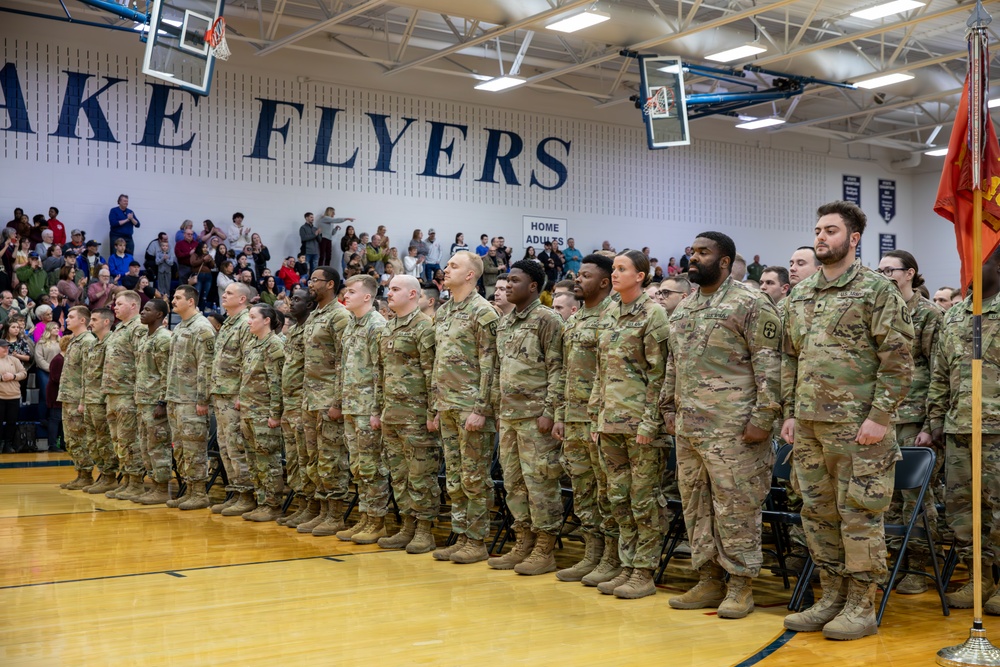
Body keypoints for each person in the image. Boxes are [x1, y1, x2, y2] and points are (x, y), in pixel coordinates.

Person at [781, 201, 914, 641]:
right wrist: (789, 412)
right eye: (818, 230)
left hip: (859, 428)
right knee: (817, 514)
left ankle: (862, 605)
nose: (821, 237)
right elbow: (789, 359)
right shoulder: (800, 294)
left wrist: (880, 416)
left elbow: (897, 360)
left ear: (853, 239)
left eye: (832, 231)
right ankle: (831, 596)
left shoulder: (877, 290)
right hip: (810, 426)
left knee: (858, 515)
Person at [661, 232, 781, 618]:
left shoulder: (750, 302)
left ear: (725, 261)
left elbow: (770, 366)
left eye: (703, 252)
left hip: (735, 429)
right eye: (691, 252)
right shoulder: (685, 307)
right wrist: (667, 408)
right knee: (697, 506)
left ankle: (741, 585)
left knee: (736, 507)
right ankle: (709, 579)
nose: (693, 258)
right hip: (690, 426)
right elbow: (673, 363)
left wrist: (763, 419)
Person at [586, 249, 669, 599]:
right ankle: (626, 563)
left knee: (643, 500)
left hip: (639, 424)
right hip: (609, 423)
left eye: (622, 269)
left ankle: (644, 571)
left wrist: (650, 423)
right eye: (614, 268)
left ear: (641, 276)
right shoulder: (608, 312)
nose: (615, 274)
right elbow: (601, 369)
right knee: (617, 497)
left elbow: (659, 375)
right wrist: (595, 414)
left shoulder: (654, 315)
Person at [488, 260, 564, 575]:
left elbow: (558, 369)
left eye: (514, 282)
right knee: (514, 483)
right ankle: (522, 542)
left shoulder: (548, 320)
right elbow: (499, 369)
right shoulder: (505, 323)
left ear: (532, 286)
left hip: (536, 418)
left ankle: (544, 549)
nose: (506, 287)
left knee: (541, 483)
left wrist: (550, 412)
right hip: (508, 416)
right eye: (505, 283)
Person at [875, 249, 943, 595]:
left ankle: (918, 564)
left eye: (891, 269)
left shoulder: (929, 314)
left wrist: (932, 424)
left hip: (915, 417)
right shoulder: (878, 309)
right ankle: (892, 561)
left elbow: (938, 371)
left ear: (910, 273)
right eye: (880, 268)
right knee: (884, 495)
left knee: (915, 496)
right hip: (883, 416)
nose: (884, 274)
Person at [549, 254, 614, 582]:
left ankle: (611, 559)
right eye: (578, 274)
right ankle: (592, 554)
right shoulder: (573, 321)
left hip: (599, 418)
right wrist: (560, 414)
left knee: (607, 491)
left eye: (586, 275)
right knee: (583, 489)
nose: (578, 279)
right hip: (573, 417)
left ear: (604, 282)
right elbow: (564, 372)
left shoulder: (612, 317)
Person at [370, 275, 439, 552]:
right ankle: (407, 525)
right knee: (399, 475)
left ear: (413, 294)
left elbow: (432, 372)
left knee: (421, 474)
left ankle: (424, 530)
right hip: (392, 414)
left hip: (416, 415)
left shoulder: (424, 327)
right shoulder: (388, 328)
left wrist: (432, 412)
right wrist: (378, 410)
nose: (389, 293)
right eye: (389, 289)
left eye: (396, 289)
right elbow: (381, 374)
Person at [295, 266, 353, 536]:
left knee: (331, 459)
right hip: (311, 398)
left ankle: (336, 514)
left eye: (315, 280)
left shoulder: (339, 316)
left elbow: (344, 360)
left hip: (329, 397)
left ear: (330, 284)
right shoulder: (315, 315)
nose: (310, 284)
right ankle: (320, 509)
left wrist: (338, 401)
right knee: (313, 458)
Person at [334, 275, 388, 543]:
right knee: (357, 466)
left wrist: (377, 410)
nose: (346, 295)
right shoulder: (351, 325)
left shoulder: (377, 325)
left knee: (371, 466)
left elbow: (381, 371)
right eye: (346, 291)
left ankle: (377, 521)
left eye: (352, 292)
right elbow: (342, 368)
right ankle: (365, 517)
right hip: (352, 405)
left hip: (368, 408)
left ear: (367, 297)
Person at [165, 285, 217, 511]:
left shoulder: (202, 328)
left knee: (194, 448)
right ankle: (188, 489)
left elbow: (206, 367)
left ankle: (199, 493)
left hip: (191, 399)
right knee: (180, 448)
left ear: (191, 302)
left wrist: (203, 399)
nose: (173, 301)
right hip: (176, 397)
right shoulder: (179, 327)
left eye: (178, 298)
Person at [209, 283, 257, 516]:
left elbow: (249, 362)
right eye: (224, 292)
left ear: (242, 299)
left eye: (229, 293)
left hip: (235, 395)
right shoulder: (229, 323)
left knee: (238, 446)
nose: (224, 295)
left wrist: (242, 394)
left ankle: (246, 495)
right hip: (221, 393)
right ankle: (235, 492)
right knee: (226, 446)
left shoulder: (246, 323)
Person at [234, 303, 285, 522]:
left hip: (264, 412)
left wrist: (275, 414)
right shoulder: (253, 344)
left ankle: (272, 505)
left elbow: (277, 383)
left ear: (267, 320)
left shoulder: (274, 345)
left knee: (268, 460)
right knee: (254, 460)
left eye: (253, 317)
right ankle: (261, 500)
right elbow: (247, 376)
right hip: (249, 410)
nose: (248, 321)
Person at [101, 291, 146, 500]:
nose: (114, 307)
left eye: (119, 304)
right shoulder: (119, 328)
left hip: (128, 392)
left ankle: (136, 482)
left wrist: (138, 393)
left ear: (133, 306)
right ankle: (127, 478)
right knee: (118, 440)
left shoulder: (138, 328)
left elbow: (141, 362)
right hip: (113, 392)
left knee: (129, 440)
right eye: (114, 304)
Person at [277, 288, 315, 527]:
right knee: (293, 458)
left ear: (310, 305)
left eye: (298, 300)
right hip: (289, 403)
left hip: (304, 402)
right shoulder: (293, 331)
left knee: (306, 458)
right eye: (292, 299)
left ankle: (312, 506)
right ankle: (301, 504)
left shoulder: (311, 330)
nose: (292, 303)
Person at [133, 298, 173, 505]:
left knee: (159, 446)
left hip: (155, 401)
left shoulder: (164, 338)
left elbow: (167, 373)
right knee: (146, 446)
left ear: (159, 315)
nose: (142, 312)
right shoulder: (146, 337)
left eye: (147, 309)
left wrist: (162, 402)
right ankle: (154, 484)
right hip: (143, 400)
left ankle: (162, 488)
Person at [57, 306, 96, 489]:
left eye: (71, 317)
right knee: (71, 438)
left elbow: (88, 374)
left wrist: (83, 400)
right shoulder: (73, 340)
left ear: (82, 320)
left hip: (77, 397)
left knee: (80, 436)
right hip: (68, 395)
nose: (67, 320)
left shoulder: (87, 341)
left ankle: (87, 474)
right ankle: (80, 473)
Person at [80, 308, 117, 494]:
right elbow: (88, 375)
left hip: (102, 400)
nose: (90, 322)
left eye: (94, 319)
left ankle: (110, 477)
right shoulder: (94, 344)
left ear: (106, 322)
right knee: (93, 441)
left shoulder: (111, 342)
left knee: (104, 441)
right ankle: (103, 474)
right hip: (90, 399)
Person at [0, 340, 26, 453]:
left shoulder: (14, 360)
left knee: (12, 422)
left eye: (7, 347)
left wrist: (13, 376)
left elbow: (24, 373)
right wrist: (1, 378)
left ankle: (8, 443)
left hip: (13, 395)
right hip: (0, 396)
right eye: (3, 347)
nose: (6, 349)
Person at [33, 319, 60, 426]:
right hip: (44, 371)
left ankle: (53, 416)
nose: (57, 329)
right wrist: (51, 368)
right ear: (49, 329)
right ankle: (42, 417)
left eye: (58, 328)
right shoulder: (41, 342)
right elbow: (39, 358)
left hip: (58, 372)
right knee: (45, 394)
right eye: (54, 328)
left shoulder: (61, 342)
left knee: (56, 394)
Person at [46, 336, 66, 452]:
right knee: (55, 419)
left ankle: (63, 443)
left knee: (63, 420)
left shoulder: (64, 359)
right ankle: (52, 444)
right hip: (55, 394)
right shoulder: (58, 359)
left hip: (62, 393)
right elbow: (55, 378)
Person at [190, 242, 216, 309]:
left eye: (206, 247)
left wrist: (210, 260)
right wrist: (203, 260)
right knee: (197, 293)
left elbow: (212, 266)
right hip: (199, 276)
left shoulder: (208, 255)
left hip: (208, 276)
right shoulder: (195, 254)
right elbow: (193, 263)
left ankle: (202, 309)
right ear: (200, 248)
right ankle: (195, 309)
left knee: (205, 295)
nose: (205, 249)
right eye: (203, 247)